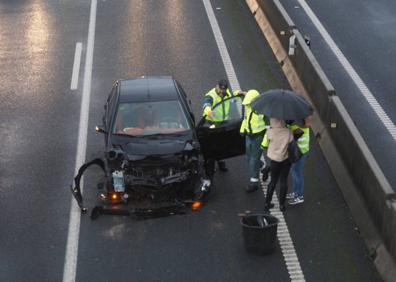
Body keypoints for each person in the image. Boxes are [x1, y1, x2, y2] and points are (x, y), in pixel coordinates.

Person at [261, 118, 293, 212]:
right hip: (286, 160)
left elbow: (264, 145)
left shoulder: (270, 132)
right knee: (284, 182)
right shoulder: (288, 132)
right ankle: (282, 205)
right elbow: (291, 143)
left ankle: (267, 203)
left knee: (273, 182)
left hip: (274, 161)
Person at [202, 79, 234, 174]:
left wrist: (238, 92)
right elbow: (206, 105)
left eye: (223, 89)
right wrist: (209, 112)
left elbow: (232, 97)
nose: (221, 91)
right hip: (212, 124)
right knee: (212, 146)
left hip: (223, 124)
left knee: (222, 145)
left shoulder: (227, 93)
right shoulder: (211, 95)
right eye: (220, 89)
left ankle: (221, 162)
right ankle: (209, 166)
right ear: (217, 86)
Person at [239, 90, 267, 193]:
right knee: (248, 158)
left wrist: (264, 143)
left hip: (258, 137)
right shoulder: (249, 106)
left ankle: (254, 183)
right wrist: (242, 129)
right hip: (248, 135)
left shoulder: (264, 111)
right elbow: (246, 119)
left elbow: (269, 129)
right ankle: (263, 167)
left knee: (253, 161)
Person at [286, 117, 311, 205]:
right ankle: (296, 192)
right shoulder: (301, 124)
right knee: (294, 172)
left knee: (297, 173)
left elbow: (295, 134)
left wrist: (289, 126)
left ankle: (299, 196)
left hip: (299, 152)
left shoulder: (299, 127)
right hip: (300, 150)